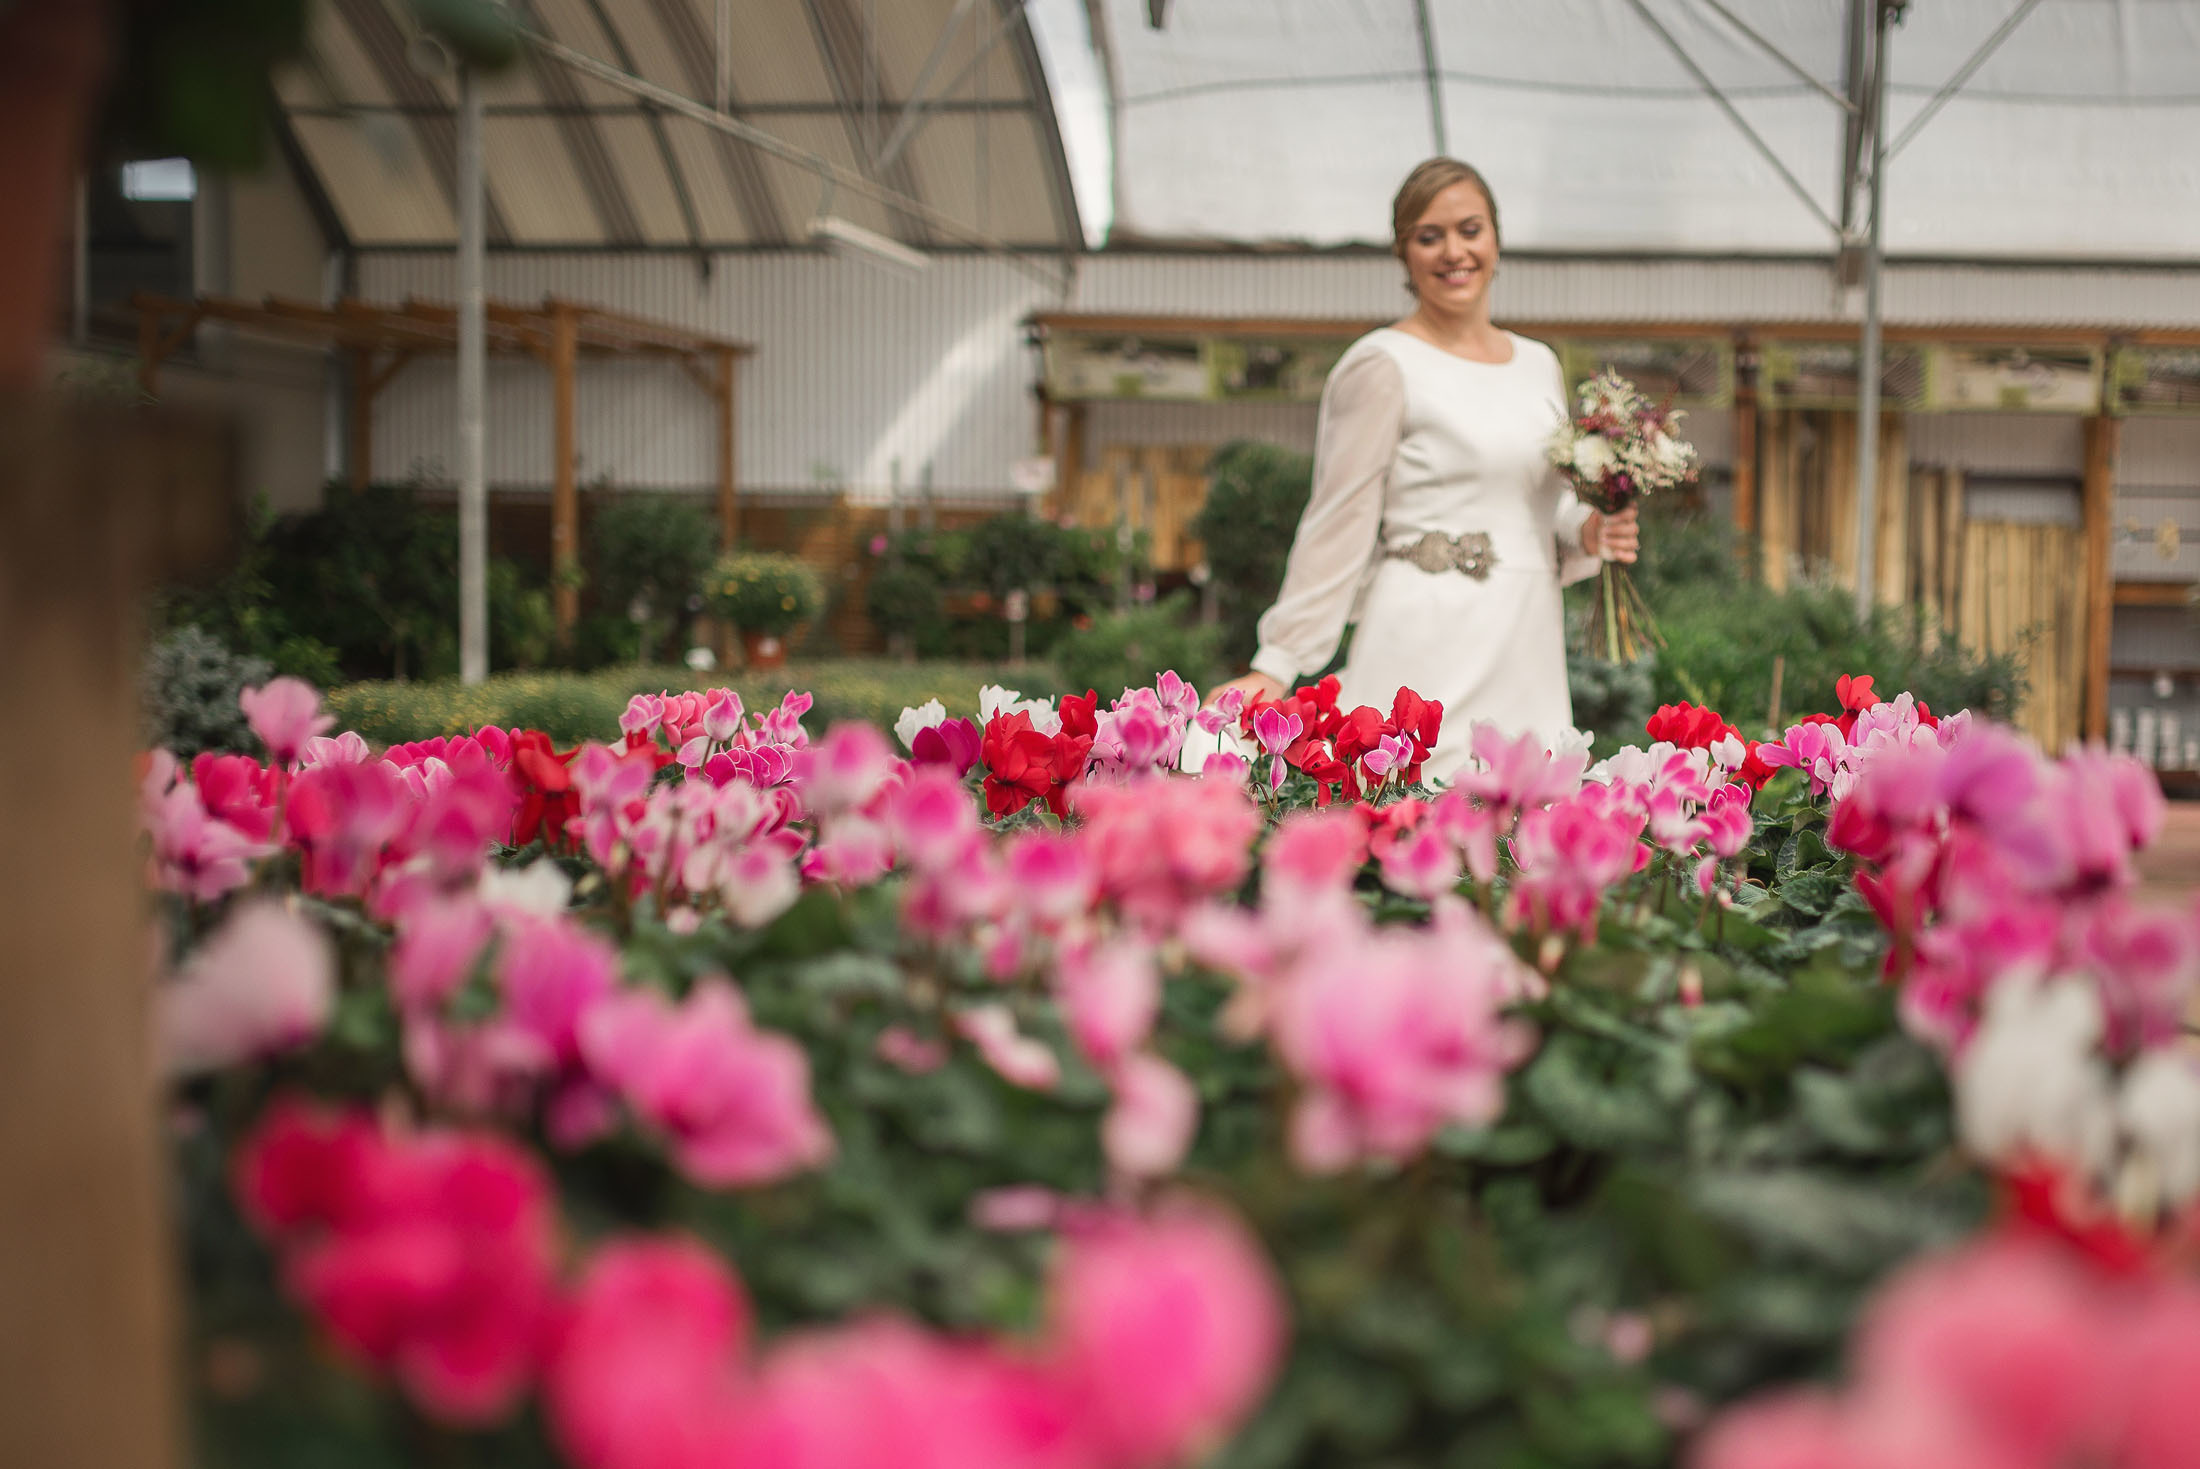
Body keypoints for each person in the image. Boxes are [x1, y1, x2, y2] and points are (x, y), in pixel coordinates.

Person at [1205, 158, 1640, 783]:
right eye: (1428, 236)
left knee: (1525, 835)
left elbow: (1537, 504)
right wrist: (1278, 661)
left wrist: (1589, 531)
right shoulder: (1381, 364)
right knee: (1407, 817)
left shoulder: (1539, 364)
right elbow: (1340, 516)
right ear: (1403, 254)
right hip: (1425, 633)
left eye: (1470, 229)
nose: (1453, 252)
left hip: (1527, 640)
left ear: (1496, 239)